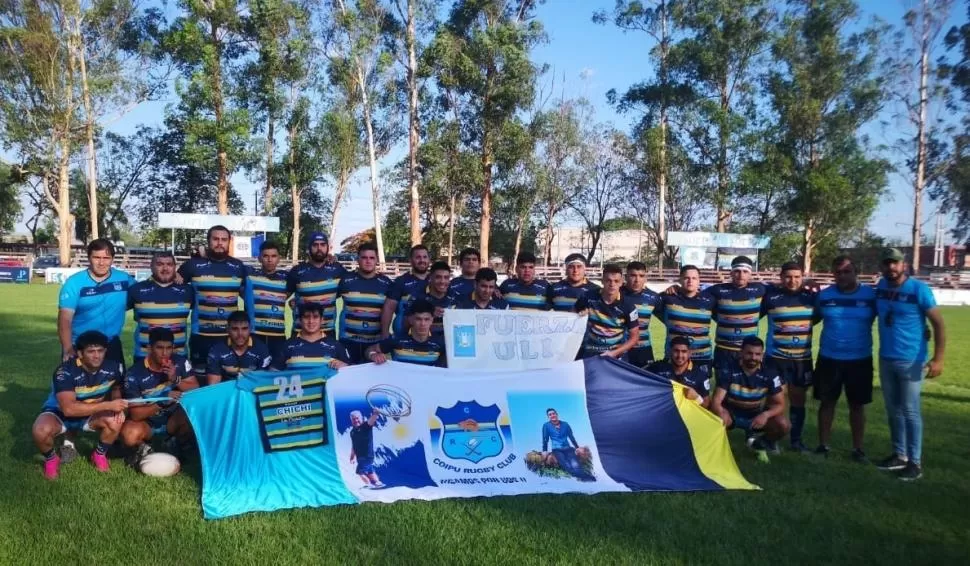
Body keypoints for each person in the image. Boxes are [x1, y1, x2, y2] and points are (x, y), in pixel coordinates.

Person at [874, 248, 946, 481]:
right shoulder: (881, 288)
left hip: (912, 360)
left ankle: (915, 463)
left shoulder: (919, 290)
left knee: (910, 410)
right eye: (886, 264)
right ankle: (899, 455)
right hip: (886, 358)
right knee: (893, 409)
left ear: (903, 264)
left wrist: (938, 358)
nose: (891, 268)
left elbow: (939, 325)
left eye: (894, 263)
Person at [31, 331, 128, 479]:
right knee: (40, 430)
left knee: (116, 419)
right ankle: (51, 459)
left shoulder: (115, 368)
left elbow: (116, 388)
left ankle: (99, 455)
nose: (97, 356)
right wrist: (108, 405)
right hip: (60, 414)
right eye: (91, 351)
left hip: (90, 414)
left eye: (100, 351)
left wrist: (117, 403)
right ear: (80, 353)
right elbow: (68, 409)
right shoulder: (64, 371)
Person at [814, 255, 876, 463]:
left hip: (860, 359)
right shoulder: (824, 296)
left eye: (846, 271)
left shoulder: (870, 296)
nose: (841, 276)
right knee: (826, 403)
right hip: (829, 358)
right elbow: (811, 318)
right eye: (837, 272)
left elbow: (890, 316)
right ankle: (823, 445)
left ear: (856, 272)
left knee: (857, 405)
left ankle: (858, 449)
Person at [178, 225, 248, 382]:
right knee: (201, 382)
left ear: (229, 242)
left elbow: (248, 297)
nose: (219, 243)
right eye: (215, 239)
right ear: (208, 241)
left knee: (229, 382)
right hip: (201, 337)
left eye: (224, 239)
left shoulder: (238, 267)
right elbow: (173, 285)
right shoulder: (192, 265)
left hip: (230, 337)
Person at [120, 328, 198, 465]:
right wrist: (161, 402)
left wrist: (175, 379)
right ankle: (144, 447)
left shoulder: (180, 362)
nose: (164, 353)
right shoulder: (134, 373)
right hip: (147, 420)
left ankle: (175, 442)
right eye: (159, 348)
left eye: (168, 348)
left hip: (173, 417)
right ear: (149, 348)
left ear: (173, 348)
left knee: (195, 414)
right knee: (129, 435)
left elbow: (196, 390)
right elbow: (135, 414)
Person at [762, 261, 817, 453]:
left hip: (801, 359)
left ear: (802, 277)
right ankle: (770, 439)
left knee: (798, 400)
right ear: (781, 277)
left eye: (796, 276)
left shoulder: (811, 298)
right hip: (776, 359)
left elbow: (815, 319)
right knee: (775, 401)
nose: (792, 280)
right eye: (788, 276)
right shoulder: (770, 297)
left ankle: (796, 441)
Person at [711, 336, 790, 463]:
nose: (753, 357)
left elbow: (780, 404)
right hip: (731, 413)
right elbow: (716, 401)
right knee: (717, 417)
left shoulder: (770, 373)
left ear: (762, 355)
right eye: (749, 353)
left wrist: (765, 414)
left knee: (783, 425)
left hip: (755, 413)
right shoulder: (728, 369)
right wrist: (722, 413)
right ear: (741, 352)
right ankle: (718, 450)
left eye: (757, 354)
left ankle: (762, 443)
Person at [58, 238, 134, 369]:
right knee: (79, 387)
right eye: (96, 257)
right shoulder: (74, 282)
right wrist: (68, 348)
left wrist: (176, 276)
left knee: (117, 387)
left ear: (112, 259)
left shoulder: (124, 279)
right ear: (89, 258)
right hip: (81, 346)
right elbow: (65, 319)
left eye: (106, 258)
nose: (101, 262)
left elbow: (144, 293)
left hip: (111, 345)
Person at [703, 256, 767, 381]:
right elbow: (694, 295)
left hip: (748, 351)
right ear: (731, 272)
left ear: (750, 274)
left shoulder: (760, 289)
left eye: (745, 271)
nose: (741, 275)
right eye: (737, 271)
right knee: (722, 386)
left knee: (746, 387)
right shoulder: (717, 290)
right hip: (724, 350)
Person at [128, 251, 194, 365]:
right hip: (145, 358)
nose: (165, 268)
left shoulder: (188, 291)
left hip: (178, 357)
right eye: (159, 264)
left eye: (169, 264)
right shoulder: (136, 290)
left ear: (175, 267)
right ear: (151, 266)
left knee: (181, 383)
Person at [338, 243, 393, 364]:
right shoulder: (345, 280)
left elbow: (396, 309)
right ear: (358, 259)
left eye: (372, 258)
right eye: (364, 257)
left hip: (375, 344)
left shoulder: (386, 283)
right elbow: (327, 299)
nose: (368, 261)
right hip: (349, 341)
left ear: (377, 260)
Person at [287, 231, 348, 336]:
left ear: (328, 247)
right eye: (315, 245)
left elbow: (345, 292)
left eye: (323, 245)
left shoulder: (338, 270)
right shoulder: (297, 271)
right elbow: (282, 296)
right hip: (300, 332)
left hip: (328, 331)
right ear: (309, 248)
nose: (319, 248)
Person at [574, 264, 639, 360]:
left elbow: (634, 337)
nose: (612, 284)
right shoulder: (588, 297)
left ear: (621, 282)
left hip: (616, 354)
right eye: (608, 280)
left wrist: (614, 353)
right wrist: (580, 315)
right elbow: (571, 317)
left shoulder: (629, 305)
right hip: (591, 352)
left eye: (616, 281)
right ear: (602, 281)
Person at [660, 265, 715, 374]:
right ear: (680, 279)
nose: (690, 281)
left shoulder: (710, 300)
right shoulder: (667, 298)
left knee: (701, 391)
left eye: (694, 278)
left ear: (699, 280)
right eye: (686, 278)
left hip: (702, 357)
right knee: (673, 389)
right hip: (675, 356)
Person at [244, 240, 289, 362]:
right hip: (254, 334)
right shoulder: (249, 275)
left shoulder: (287, 277)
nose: (270, 260)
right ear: (259, 258)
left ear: (279, 258)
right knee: (254, 370)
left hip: (278, 335)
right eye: (266, 256)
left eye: (274, 256)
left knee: (276, 371)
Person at [367, 299, 447, 367]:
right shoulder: (397, 340)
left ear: (432, 320)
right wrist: (373, 355)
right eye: (418, 319)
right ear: (411, 320)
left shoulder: (440, 343)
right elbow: (369, 350)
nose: (423, 324)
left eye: (426, 319)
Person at [205, 311, 273, 384]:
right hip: (226, 391)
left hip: (251, 390)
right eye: (235, 329)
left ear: (250, 329)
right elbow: (213, 386)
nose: (240, 334)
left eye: (244, 328)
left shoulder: (261, 349)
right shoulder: (216, 350)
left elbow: (262, 382)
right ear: (227, 330)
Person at [276, 303, 351, 370]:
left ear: (322, 320)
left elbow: (351, 372)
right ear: (299, 320)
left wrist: (345, 366)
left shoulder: (336, 345)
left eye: (315, 317)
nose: (311, 321)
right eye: (306, 317)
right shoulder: (288, 345)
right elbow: (273, 373)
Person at [380, 244, 431, 339]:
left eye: (425, 257)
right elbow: (389, 308)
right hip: (403, 334)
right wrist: (385, 333)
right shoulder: (401, 281)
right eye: (418, 257)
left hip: (429, 336)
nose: (422, 260)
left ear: (429, 260)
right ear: (410, 260)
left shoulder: (436, 281)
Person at [647, 336, 711, 408]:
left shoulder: (700, 375)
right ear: (670, 351)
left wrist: (697, 398)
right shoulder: (658, 368)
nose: (680, 356)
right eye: (676, 351)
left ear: (689, 353)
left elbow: (707, 404)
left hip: (685, 416)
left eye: (684, 351)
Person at [622, 261, 663, 367]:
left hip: (643, 350)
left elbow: (667, 319)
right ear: (626, 277)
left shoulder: (654, 297)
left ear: (646, 278)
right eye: (633, 275)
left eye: (641, 276)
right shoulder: (615, 294)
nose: (637, 280)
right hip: (620, 348)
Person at [409, 261, 458, 336]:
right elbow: (403, 324)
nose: (442, 281)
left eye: (446, 278)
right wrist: (429, 313)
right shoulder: (417, 296)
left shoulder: (456, 296)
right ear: (430, 277)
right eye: (438, 277)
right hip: (425, 343)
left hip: (450, 341)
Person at [349, 409, 384, 488]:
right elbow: (354, 445)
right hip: (361, 457)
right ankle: (378, 483)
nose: (356, 420)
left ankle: (369, 485)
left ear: (361, 418)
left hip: (367, 456)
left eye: (357, 418)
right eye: (353, 419)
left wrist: (375, 414)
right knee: (370, 471)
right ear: (351, 420)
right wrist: (352, 457)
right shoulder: (352, 432)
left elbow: (371, 421)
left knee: (359, 472)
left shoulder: (365, 426)